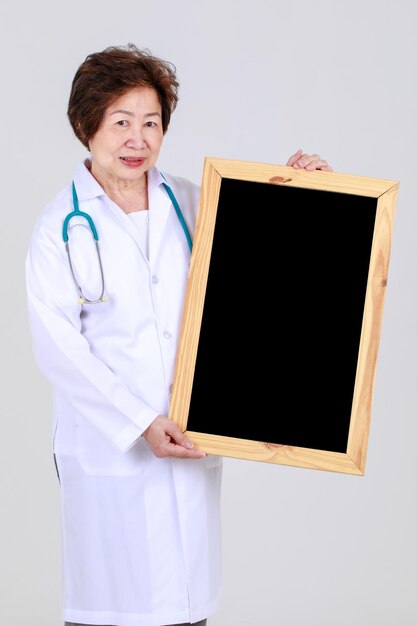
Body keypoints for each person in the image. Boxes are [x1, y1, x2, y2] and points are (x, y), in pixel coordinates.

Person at [25, 43, 333, 626]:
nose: (137, 139)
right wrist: (139, 421)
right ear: (87, 126)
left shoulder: (192, 201)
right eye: (121, 123)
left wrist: (306, 196)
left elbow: (264, 282)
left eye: (151, 123)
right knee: (112, 611)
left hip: (190, 434)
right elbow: (60, 350)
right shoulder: (58, 229)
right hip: (111, 448)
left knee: (186, 607)